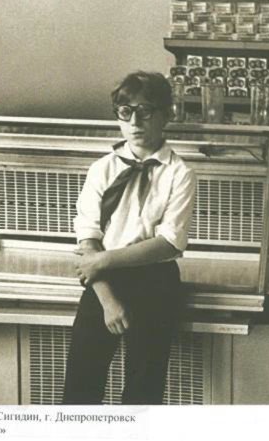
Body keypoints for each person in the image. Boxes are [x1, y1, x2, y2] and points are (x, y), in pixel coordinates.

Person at [63, 71, 196, 405]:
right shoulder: (102, 169)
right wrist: (107, 299)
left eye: (145, 111)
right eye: (125, 112)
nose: (134, 121)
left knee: (144, 390)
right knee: (81, 385)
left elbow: (169, 242)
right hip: (103, 282)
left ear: (166, 115)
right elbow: (87, 236)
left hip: (155, 282)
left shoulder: (179, 173)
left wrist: (102, 260)